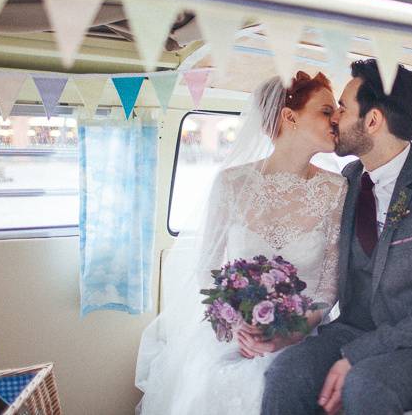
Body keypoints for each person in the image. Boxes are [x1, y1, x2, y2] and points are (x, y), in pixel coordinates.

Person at [262, 59, 412, 415]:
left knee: (366, 384)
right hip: (355, 331)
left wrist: (358, 355)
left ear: (372, 121)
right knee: (286, 373)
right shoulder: (348, 181)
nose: (334, 117)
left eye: (343, 107)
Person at [135, 71, 347, 414]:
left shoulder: (336, 189)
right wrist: (236, 324)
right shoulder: (231, 183)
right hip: (234, 334)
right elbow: (208, 268)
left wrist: (290, 333)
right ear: (289, 117)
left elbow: (328, 287)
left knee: (279, 384)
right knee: (218, 380)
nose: (337, 119)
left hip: (302, 336)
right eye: (325, 111)